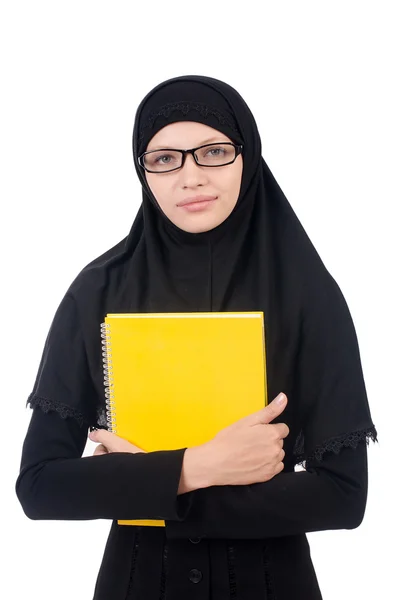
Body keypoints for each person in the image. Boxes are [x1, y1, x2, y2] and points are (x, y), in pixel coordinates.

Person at [16, 74, 378, 600]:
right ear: (143, 171)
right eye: (164, 159)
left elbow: (344, 497)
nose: (189, 177)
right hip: (136, 585)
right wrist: (194, 468)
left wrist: (150, 487)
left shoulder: (307, 293)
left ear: (246, 157)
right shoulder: (97, 291)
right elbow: (41, 487)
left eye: (212, 152)